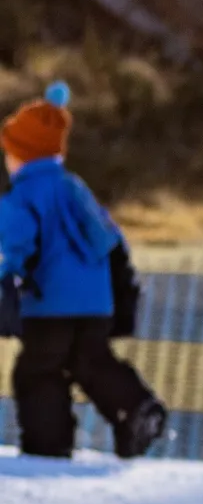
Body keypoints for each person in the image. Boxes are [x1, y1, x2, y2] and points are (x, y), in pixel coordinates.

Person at [2, 82, 167, 461]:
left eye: (9, 153)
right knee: (91, 362)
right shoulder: (76, 188)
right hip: (94, 305)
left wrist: (11, 280)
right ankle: (135, 408)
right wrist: (122, 287)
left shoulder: (22, 196)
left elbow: (19, 243)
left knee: (38, 373)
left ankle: (50, 446)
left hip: (48, 306)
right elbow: (107, 237)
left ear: (22, 156)